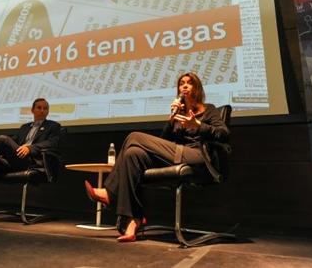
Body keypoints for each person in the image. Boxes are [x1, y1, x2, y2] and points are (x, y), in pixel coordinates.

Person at [84, 72, 229, 242]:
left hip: (197, 156)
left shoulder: (209, 109)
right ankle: (134, 220)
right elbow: (164, 142)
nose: (184, 86)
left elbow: (224, 134)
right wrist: (171, 119)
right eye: (181, 83)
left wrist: (198, 125)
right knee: (133, 154)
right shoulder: (178, 112)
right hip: (176, 153)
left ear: (197, 88)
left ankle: (110, 193)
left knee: (134, 136)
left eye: (189, 83)